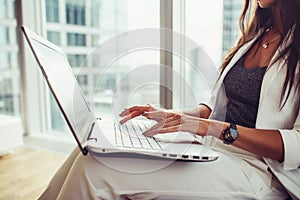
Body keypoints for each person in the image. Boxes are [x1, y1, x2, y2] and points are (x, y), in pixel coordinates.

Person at [39, 0, 300, 199]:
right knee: (90, 148)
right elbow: (216, 108)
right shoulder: (256, 36)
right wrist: (173, 116)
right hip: (211, 148)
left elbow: (297, 145)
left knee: (95, 171)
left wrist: (213, 129)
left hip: (257, 170)